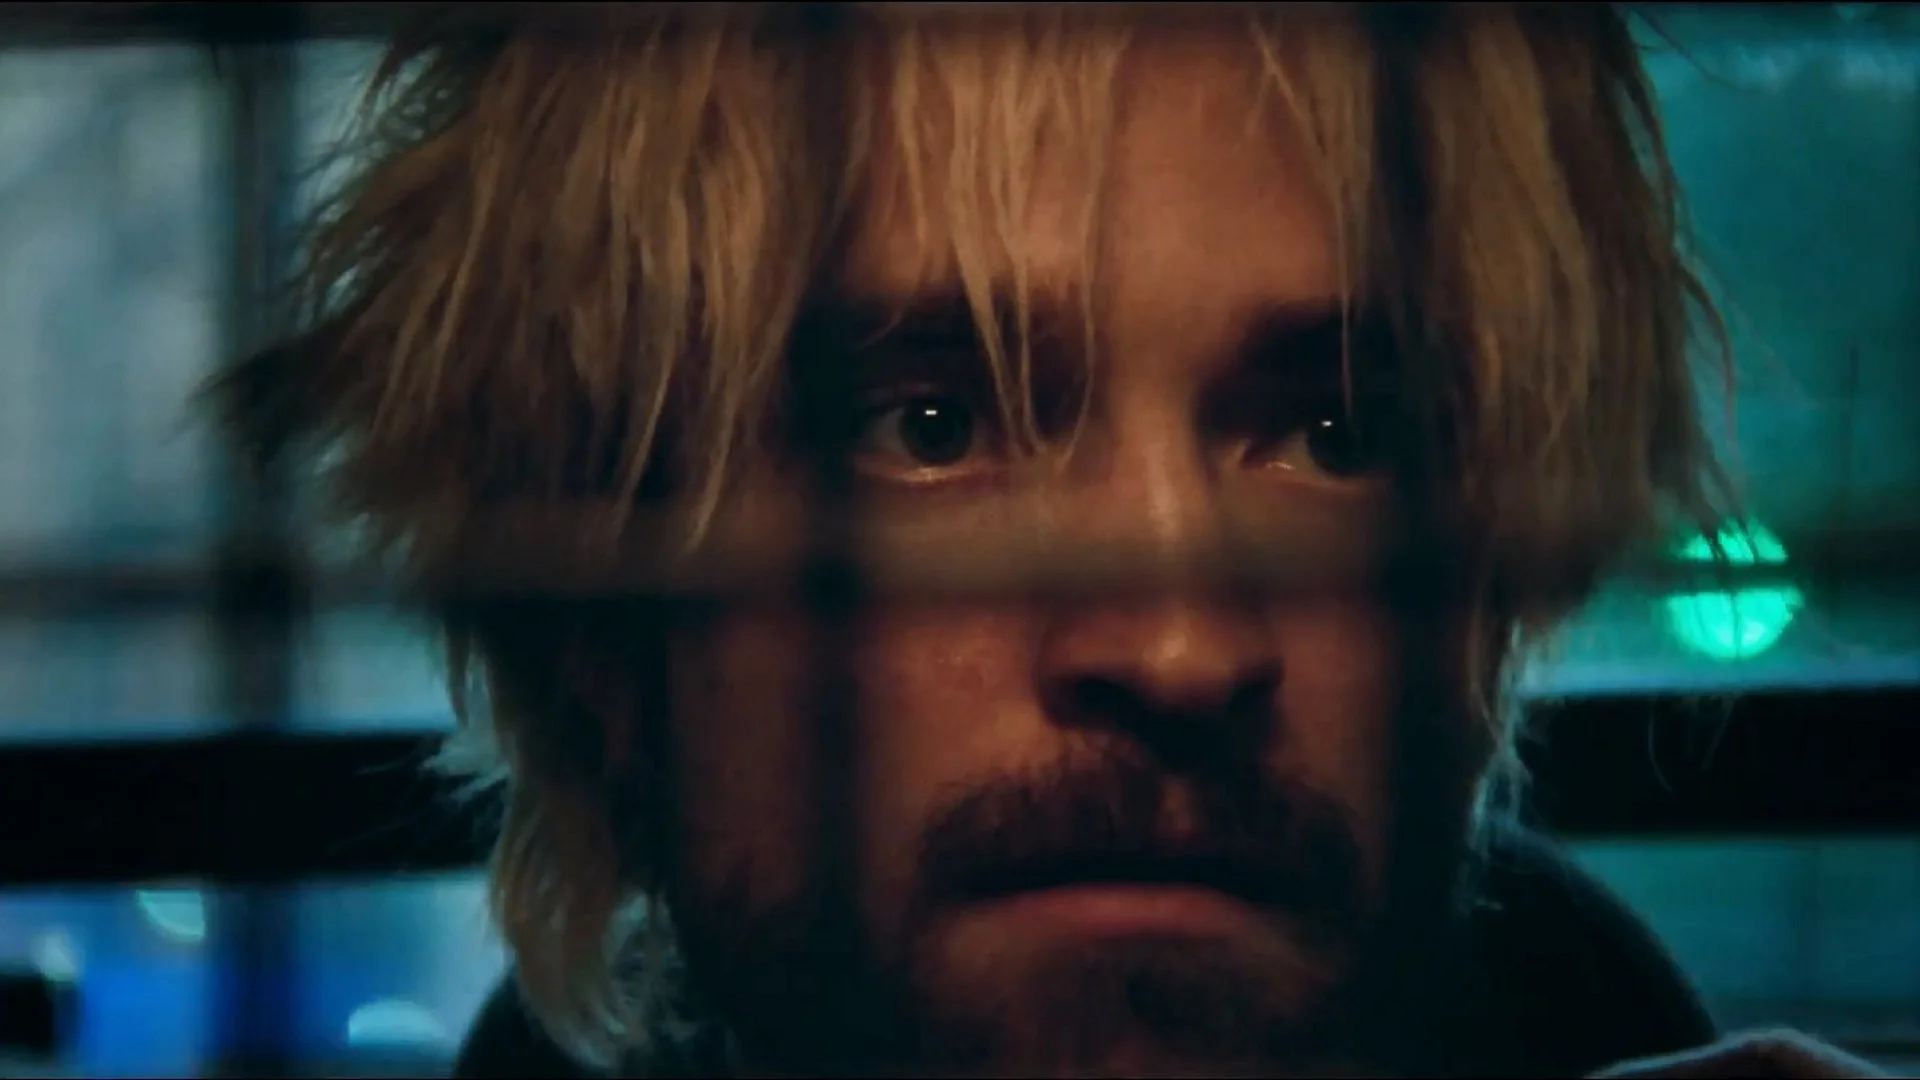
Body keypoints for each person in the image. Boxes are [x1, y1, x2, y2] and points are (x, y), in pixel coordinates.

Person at [214, 4, 1895, 1077]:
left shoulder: (1575, 1010)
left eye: (1341, 437)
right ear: (596, 632)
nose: (1180, 643)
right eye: (930, 426)